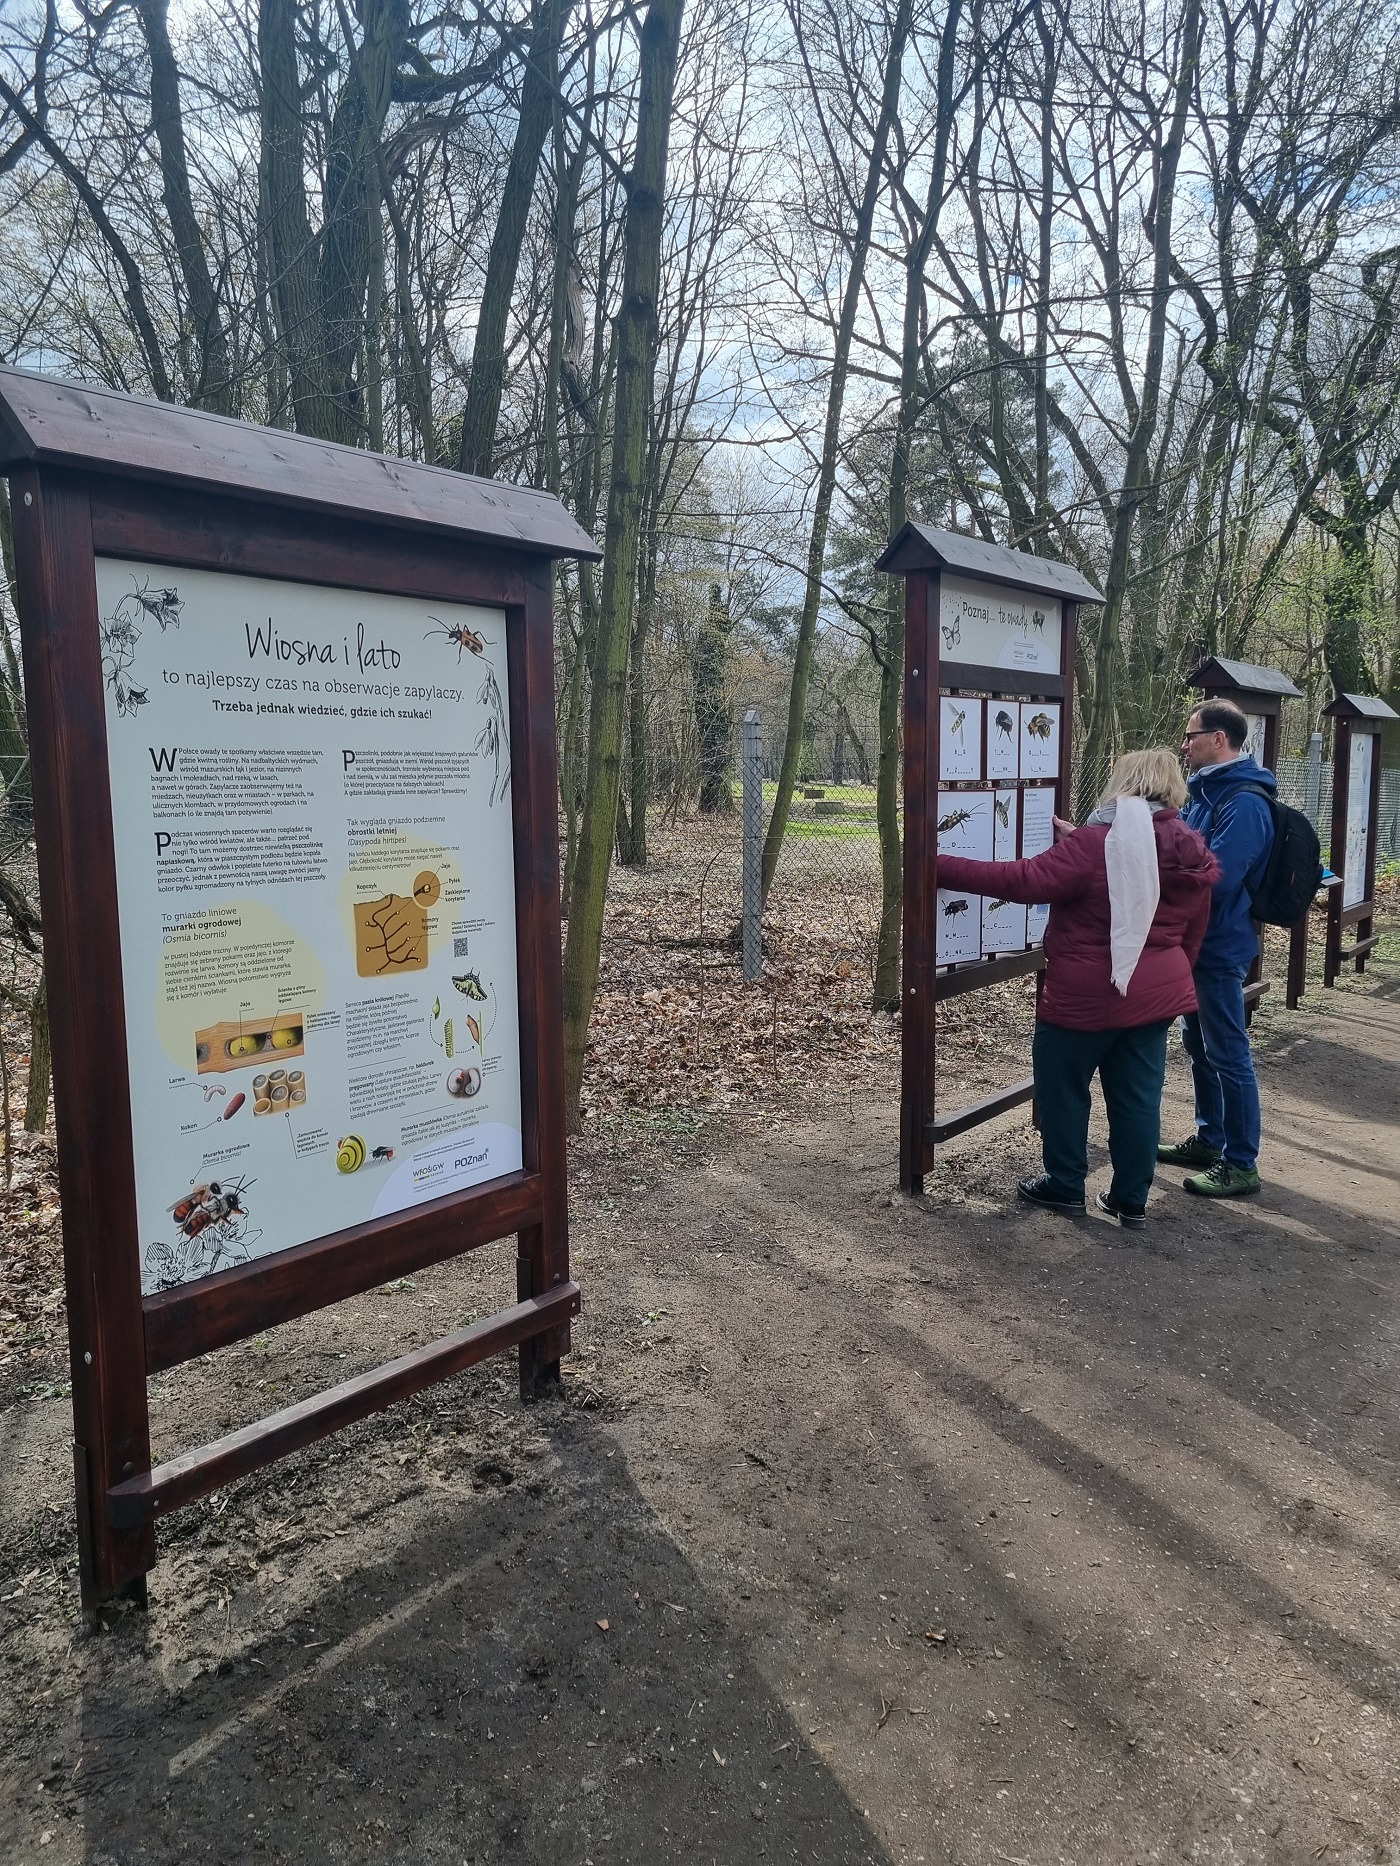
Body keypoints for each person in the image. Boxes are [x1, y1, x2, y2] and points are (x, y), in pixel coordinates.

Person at [936, 749, 1216, 1229]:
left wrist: (938, 863)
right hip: (1154, 998)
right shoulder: (1187, 844)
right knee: (1139, 1097)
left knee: (1064, 1089)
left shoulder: (1095, 845)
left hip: (1083, 996)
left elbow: (1025, 880)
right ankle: (1131, 1199)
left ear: (1124, 784)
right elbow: (1193, 932)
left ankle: (1065, 1185)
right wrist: (1161, 982)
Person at [1156, 698, 1275, 1198]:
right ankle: (1211, 1138)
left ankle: (1241, 1162)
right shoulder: (1206, 792)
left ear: (1218, 739)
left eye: (1191, 736)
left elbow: (1219, 879)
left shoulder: (1243, 801)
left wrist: (1161, 878)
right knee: (1198, 1045)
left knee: (1228, 1050)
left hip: (1221, 944)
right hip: (1195, 942)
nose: (1184, 744)